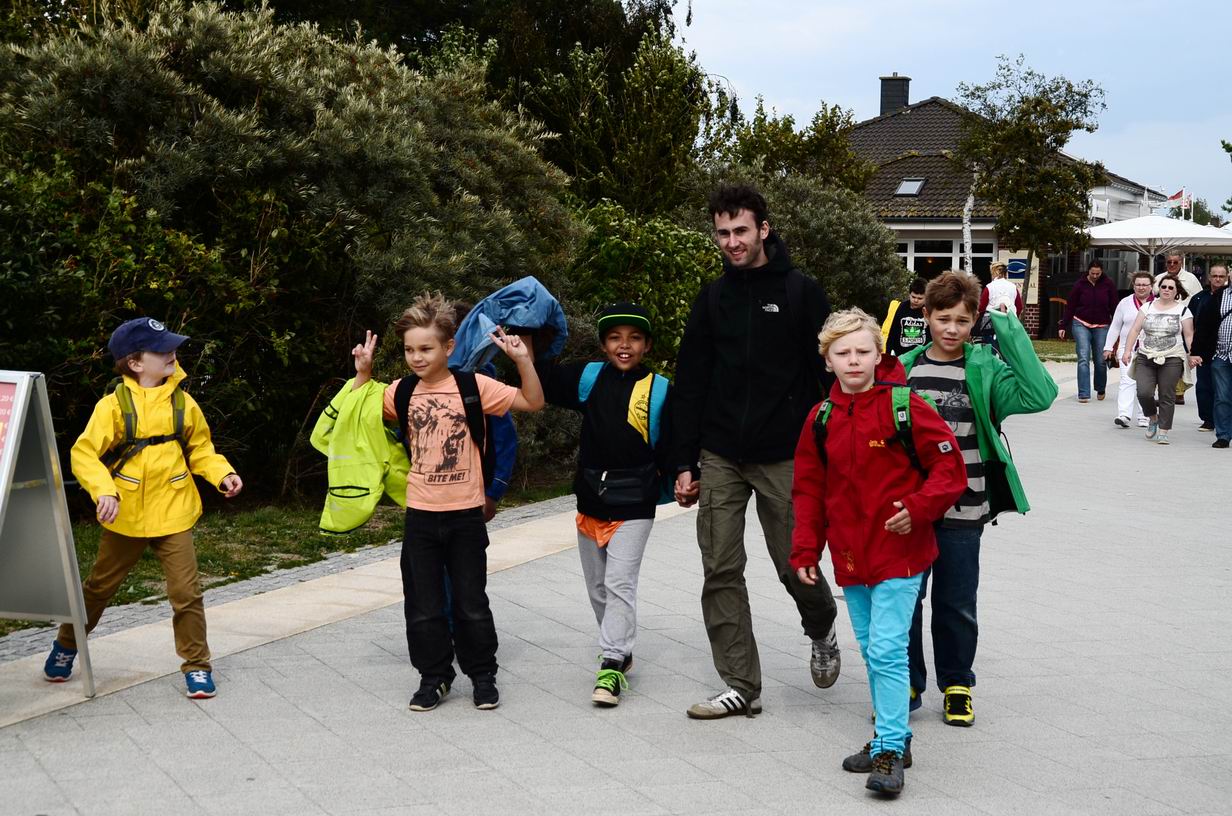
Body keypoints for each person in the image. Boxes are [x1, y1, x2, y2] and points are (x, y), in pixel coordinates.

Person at [672, 183, 839, 719]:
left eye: (741, 230)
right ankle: (741, 683)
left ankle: (821, 625)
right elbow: (691, 381)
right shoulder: (712, 298)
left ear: (763, 229)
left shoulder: (800, 292)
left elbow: (829, 377)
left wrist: (833, 451)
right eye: (722, 233)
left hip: (786, 454)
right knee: (720, 568)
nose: (732, 242)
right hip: (721, 453)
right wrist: (684, 460)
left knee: (795, 564)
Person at [790, 309, 967, 797]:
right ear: (827, 360)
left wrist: (918, 508)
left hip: (900, 550)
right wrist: (805, 549)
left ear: (878, 355)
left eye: (862, 351)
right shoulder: (820, 418)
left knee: (888, 649)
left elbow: (949, 470)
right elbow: (808, 489)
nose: (853, 360)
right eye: (842, 353)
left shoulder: (905, 405)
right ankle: (894, 735)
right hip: (850, 556)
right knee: (872, 648)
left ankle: (889, 747)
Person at [352, 293, 544, 712]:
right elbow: (358, 416)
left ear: (449, 347)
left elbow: (532, 402)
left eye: (426, 348)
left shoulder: (473, 387)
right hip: (420, 516)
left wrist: (522, 361)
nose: (417, 357)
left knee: (471, 603)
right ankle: (434, 677)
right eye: (409, 350)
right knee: (423, 606)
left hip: (465, 516)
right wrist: (364, 374)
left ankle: (483, 676)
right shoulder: (401, 392)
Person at [44, 317, 243, 698]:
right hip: (127, 515)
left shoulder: (183, 402)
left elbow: (201, 449)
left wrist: (223, 474)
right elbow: (84, 454)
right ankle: (67, 644)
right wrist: (104, 491)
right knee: (99, 587)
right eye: (161, 349)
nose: (172, 353)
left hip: (174, 511)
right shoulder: (113, 407)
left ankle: (197, 665)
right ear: (135, 362)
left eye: (172, 346)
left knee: (187, 593)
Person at [900, 271, 1058, 726]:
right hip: (911, 509)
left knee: (956, 602)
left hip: (965, 506)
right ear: (926, 316)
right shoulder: (904, 369)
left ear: (974, 322)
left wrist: (1007, 327)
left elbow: (1041, 394)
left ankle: (956, 684)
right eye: (943, 318)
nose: (952, 329)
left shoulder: (985, 369)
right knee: (905, 601)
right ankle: (907, 682)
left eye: (963, 321)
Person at [536, 303, 674, 707]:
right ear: (603, 345)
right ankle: (621, 647)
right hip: (591, 499)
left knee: (619, 583)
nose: (624, 345)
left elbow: (676, 440)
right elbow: (541, 383)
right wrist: (531, 341)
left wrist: (686, 474)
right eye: (615, 338)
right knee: (598, 588)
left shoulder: (661, 389)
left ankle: (612, 662)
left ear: (647, 345)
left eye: (634, 338)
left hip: (636, 502)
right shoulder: (589, 377)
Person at [1121, 277, 1196, 446]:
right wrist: (1127, 351)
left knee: (1167, 395)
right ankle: (1153, 418)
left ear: (1176, 291)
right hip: (1146, 355)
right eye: (1164, 286)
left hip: (1172, 357)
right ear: (1158, 289)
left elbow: (1189, 335)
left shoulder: (1183, 311)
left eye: (1171, 287)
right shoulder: (1147, 307)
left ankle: (1163, 431)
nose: (1167, 289)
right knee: (1144, 392)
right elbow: (1135, 329)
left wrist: (1192, 354)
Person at [1057, 260, 1118, 403]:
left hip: (1102, 325)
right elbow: (1071, 306)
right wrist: (1062, 325)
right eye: (1092, 273)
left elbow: (1115, 306)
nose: (1095, 276)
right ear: (1088, 271)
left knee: (1100, 360)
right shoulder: (1080, 284)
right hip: (1081, 323)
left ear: (1101, 272)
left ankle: (1100, 387)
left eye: (1098, 273)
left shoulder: (1108, 284)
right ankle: (1084, 393)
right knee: (1083, 358)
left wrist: (1117, 328)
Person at [1103, 272, 1155, 429]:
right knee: (1127, 380)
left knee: (1146, 385)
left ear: (1151, 286)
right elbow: (1115, 326)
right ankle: (1124, 414)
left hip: (1152, 350)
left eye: (1144, 285)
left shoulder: (1158, 303)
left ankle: (1145, 415)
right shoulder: (1124, 303)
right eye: (1138, 284)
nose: (1141, 287)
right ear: (1133, 286)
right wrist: (1108, 347)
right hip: (1127, 349)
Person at [1191, 264, 1232, 449]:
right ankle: (1223, 435)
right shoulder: (1219, 296)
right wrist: (1196, 352)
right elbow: (1204, 326)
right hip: (1221, 355)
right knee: (1222, 396)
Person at [1155, 253, 1203, 405]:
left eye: (1175, 262)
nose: (1172, 264)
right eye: (1169, 262)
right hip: (1163, 324)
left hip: (1184, 322)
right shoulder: (1159, 278)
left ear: (1181, 262)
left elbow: (1199, 299)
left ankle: (1179, 391)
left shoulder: (1191, 279)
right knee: (1162, 357)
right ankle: (1164, 391)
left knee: (1181, 357)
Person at [885, 277, 931, 357]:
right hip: (902, 356)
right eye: (913, 297)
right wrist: (888, 354)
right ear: (909, 294)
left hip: (922, 357)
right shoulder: (902, 307)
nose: (916, 300)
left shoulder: (929, 310)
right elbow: (893, 332)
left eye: (920, 298)